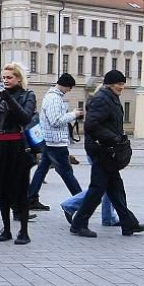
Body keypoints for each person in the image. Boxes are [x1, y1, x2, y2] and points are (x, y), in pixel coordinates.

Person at [68, 70, 144, 238]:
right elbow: (91, 126)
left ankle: (128, 223)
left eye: (123, 83)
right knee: (97, 190)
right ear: (110, 84)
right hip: (102, 151)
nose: (122, 86)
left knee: (116, 189)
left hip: (108, 150)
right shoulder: (102, 99)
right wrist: (113, 138)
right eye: (119, 84)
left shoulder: (110, 97)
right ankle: (79, 223)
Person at [0, 64, 38, 244]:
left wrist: (7, 99)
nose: (5, 80)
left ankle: (24, 232)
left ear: (19, 78)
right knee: (1, 189)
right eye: (3, 77)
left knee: (20, 189)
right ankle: (7, 229)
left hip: (17, 146)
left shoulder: (27, 95)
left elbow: (25, 117)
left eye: (9, 77)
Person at [27, 74, 84, 211]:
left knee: (42, 170)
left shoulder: (53, 96)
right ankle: (81, 200)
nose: (69, 90)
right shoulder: (54, 98)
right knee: (66, 172)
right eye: (70, 88)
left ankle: (31, 199)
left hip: (50, 141)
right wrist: (74, 115)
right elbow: (56, 121)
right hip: (55, 142)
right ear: (66, 85)